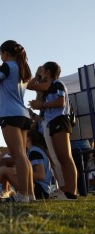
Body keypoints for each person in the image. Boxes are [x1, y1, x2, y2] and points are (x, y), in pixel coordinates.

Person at [0, 40, 34, 203]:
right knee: (23, 156)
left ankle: (23, 194)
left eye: (1, 54)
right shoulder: (21, 68)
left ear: (5, 53)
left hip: (9, 114)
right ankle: (30, 193)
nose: (1, 57)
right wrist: (0, 69)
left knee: (18, 155)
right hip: (23, 114)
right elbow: (10, 77)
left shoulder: (7, 67)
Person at [28, 61, 78, 199]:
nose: (40, 73)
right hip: (52, 123)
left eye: (42, 71)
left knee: (65, 157)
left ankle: (71, 191)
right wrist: (38, 77)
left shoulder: (57, 84)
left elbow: (60, 102)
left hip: (60, 121)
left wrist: (41, 104)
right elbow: (30, 86)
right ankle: (64, 190)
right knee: (59, 158)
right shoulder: (49, 86)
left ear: (48, 72)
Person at [0, 128, 53, 200]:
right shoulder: (35, 150)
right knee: (3, 164)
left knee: (3, 170)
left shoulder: (35, 152)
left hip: (40, 190)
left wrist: (20, 172)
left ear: (28, 139)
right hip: (39, 189)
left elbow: (41, 175)